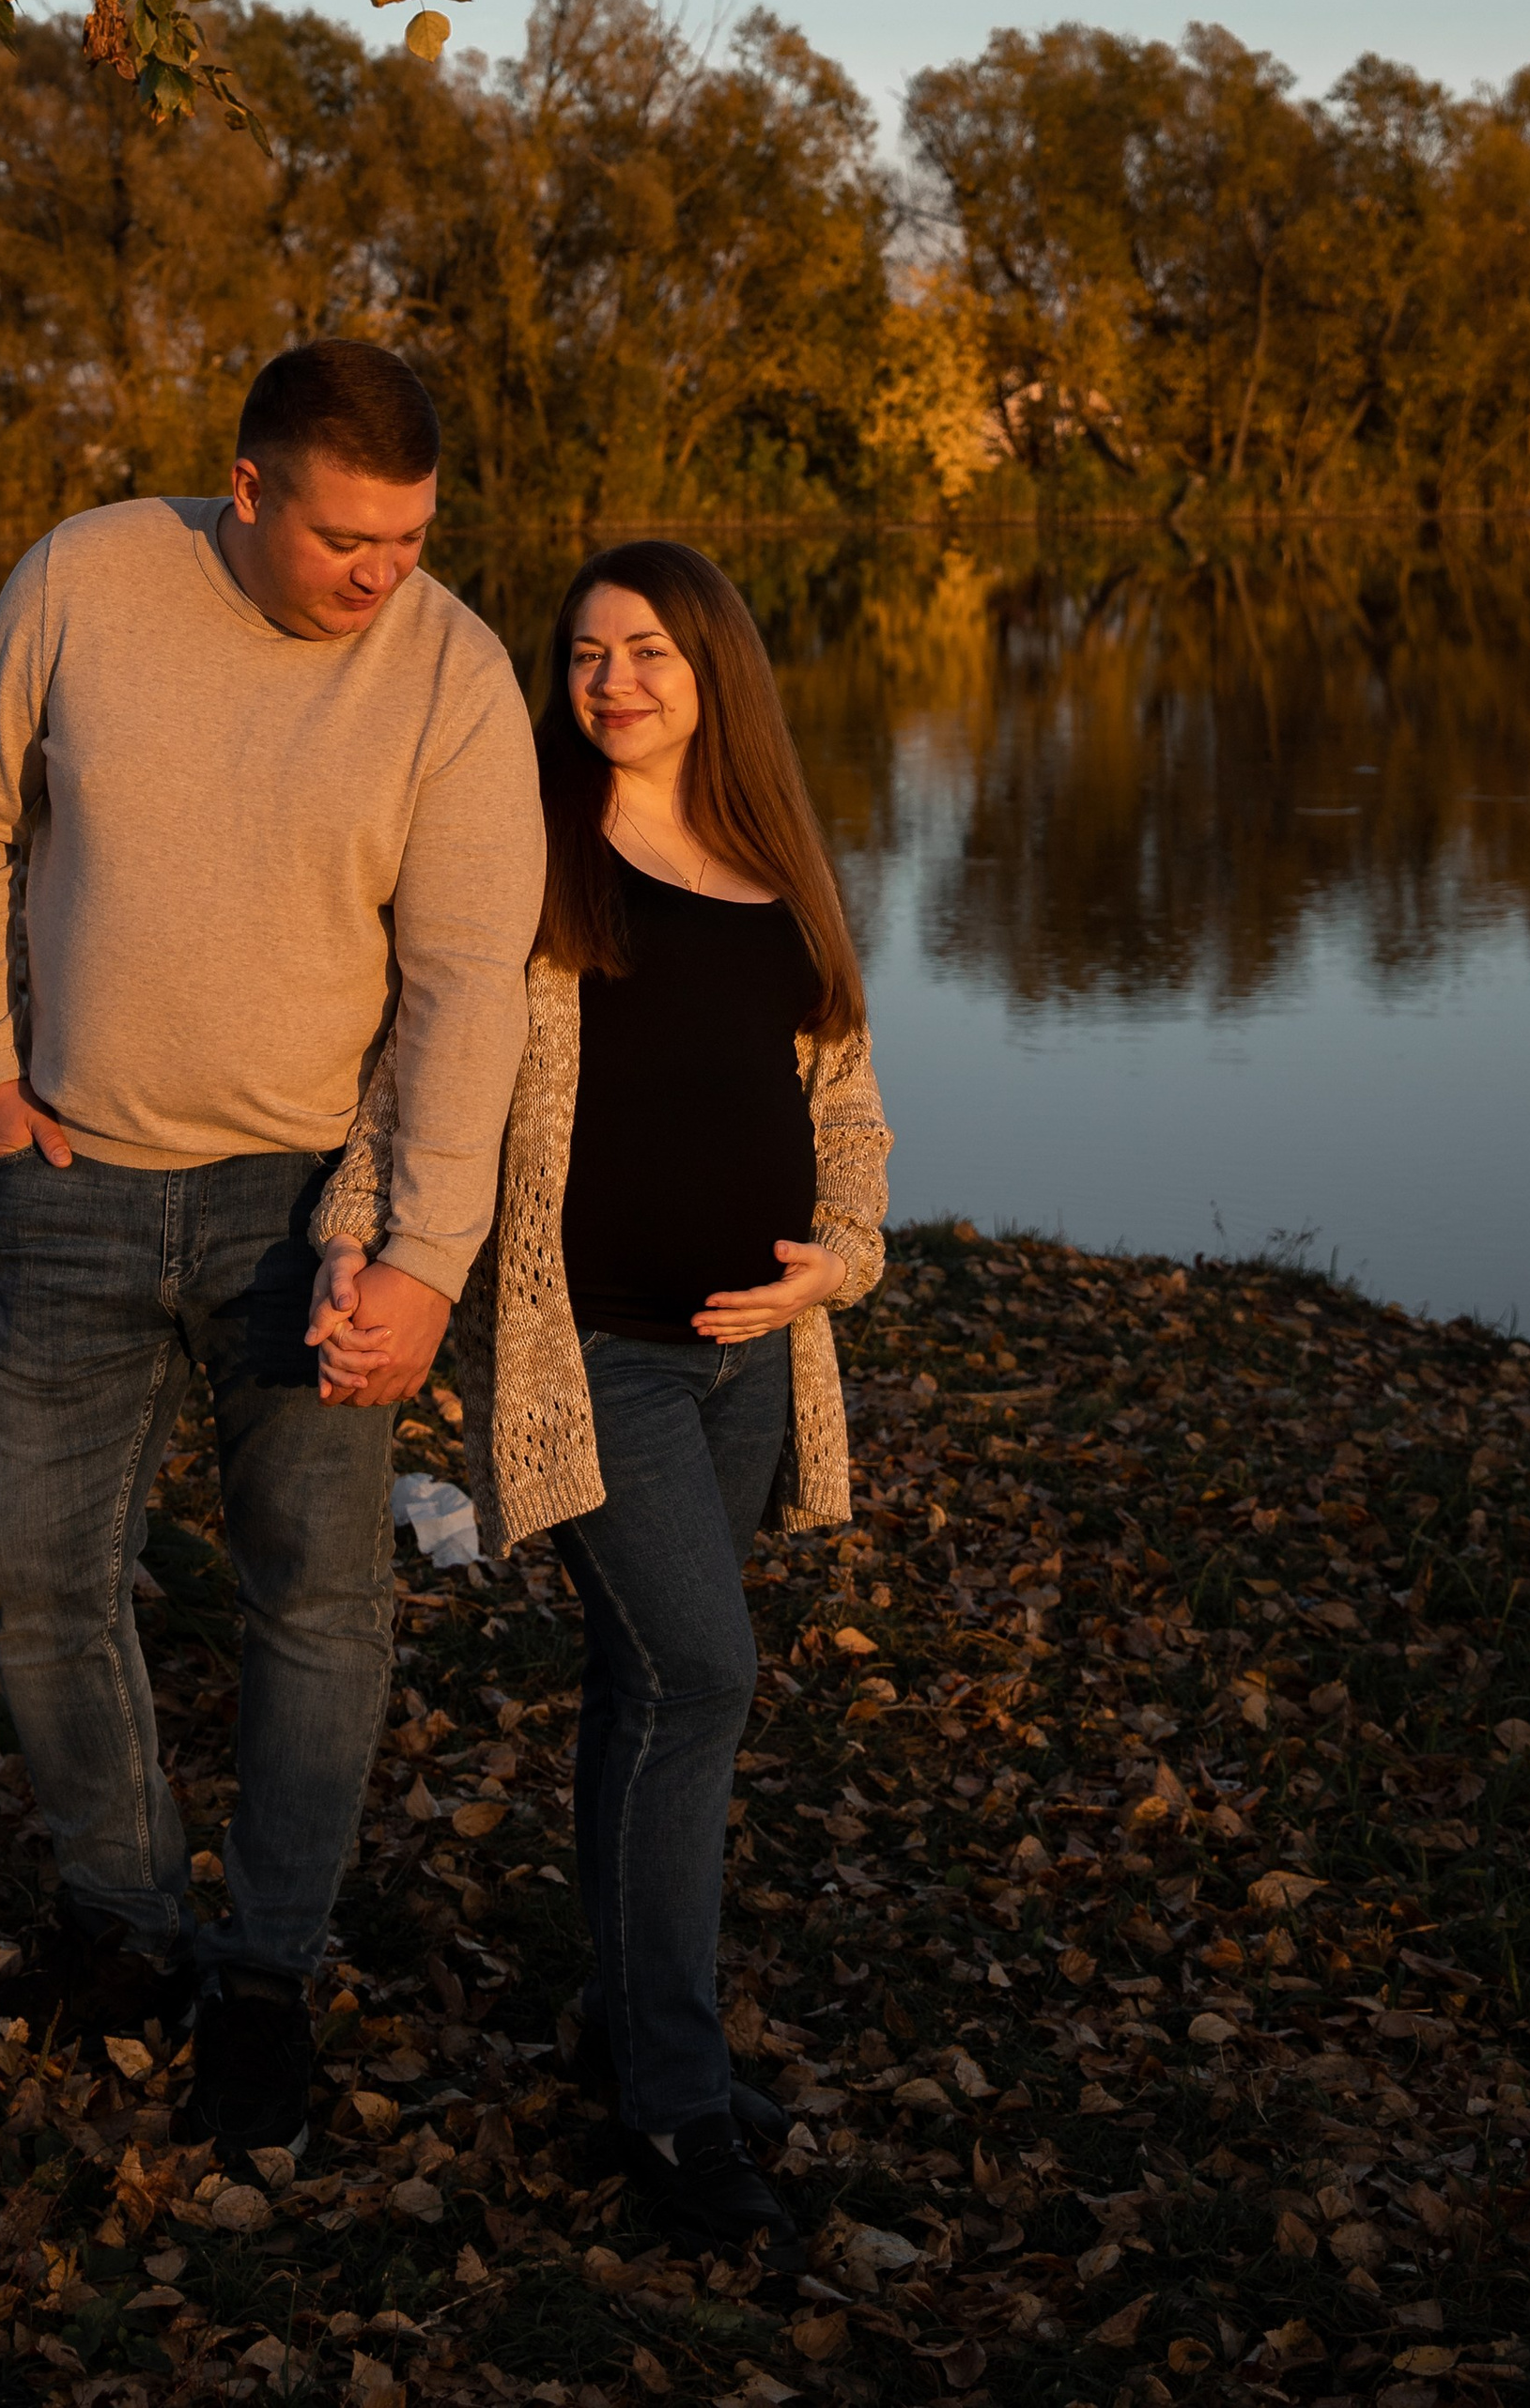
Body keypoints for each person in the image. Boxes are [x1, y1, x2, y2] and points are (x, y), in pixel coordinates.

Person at [0, 340, 545, 2157]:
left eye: (414, 538)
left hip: (311, 1215)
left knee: (317, 1601)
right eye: (352, 536)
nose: (385, 574)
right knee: (30, 1572)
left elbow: (464, 992)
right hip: (73, 1182)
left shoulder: (455, 675)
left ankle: (264, 1970)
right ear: (249, 489)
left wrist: (424, 1254)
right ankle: (121, 1918)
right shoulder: (91, 572)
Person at [313, 539, 889, 2260]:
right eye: (584, 653)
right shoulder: (538, 851)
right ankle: (677, 2105)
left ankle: (630, 2038)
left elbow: (848, 1108)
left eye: (646, 650)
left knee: (642, 1698)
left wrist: (837, 1264)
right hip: (599, 1361)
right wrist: (357, 1228)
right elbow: (418, 1061)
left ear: (716, 668)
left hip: (747, 1365)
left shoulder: (786, 868)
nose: (612, 680)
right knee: (701, 1677)